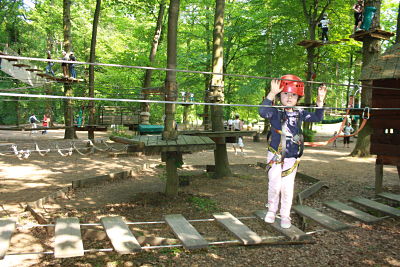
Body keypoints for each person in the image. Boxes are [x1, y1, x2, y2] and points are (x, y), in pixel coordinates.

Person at [258, 75, 327, 229]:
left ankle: (285, 215)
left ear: (298, 97)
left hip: (291, 157)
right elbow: (262, 112)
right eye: (285, 94)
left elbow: (317, 117)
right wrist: (271, 93)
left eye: (293, 94)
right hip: (275, 155)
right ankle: (271, 210)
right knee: (275, 185)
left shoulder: (300, 113)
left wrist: (320, 101)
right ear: (279, 95)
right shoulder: (274, 112)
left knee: (287, 188)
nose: (289, 97)